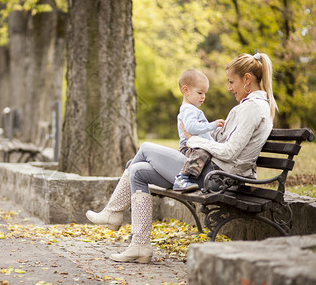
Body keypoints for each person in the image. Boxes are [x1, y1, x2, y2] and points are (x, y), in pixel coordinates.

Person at [86, 52, 278, 263]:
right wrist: (203, 131)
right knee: (138, 171)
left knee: (146, 148)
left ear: (247, 79)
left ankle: (112, 212)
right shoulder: (249, 106)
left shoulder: (252, 108)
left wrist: (194, 140)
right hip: (212, 172)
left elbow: (230, 152)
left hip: (216, 176)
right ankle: (139, 246)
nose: (229, 88)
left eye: (232, 82)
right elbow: (223, 141)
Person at [172, 69, 225, 192]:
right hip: (190, 147)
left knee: (207, 152)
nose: (203, 97)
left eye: (205, 93)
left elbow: (203, 134)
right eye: (200, 93)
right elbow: (191, 127)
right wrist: (212, 125)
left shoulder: (192, 109)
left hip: (196, 145)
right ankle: (182, 177)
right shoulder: (188, 109)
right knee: (203, 153)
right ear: (185, 90)